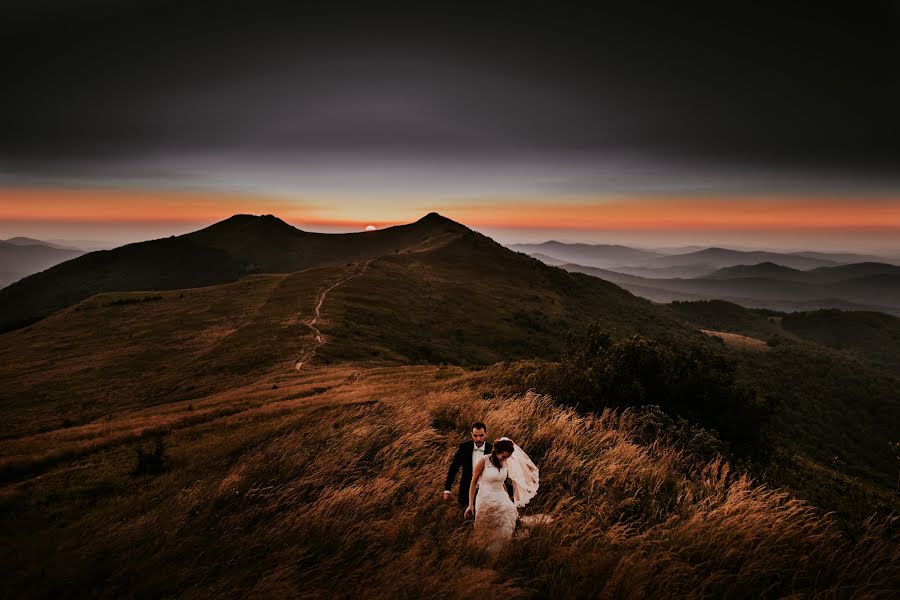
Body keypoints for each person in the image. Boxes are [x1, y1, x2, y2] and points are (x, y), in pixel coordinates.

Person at [464, 437, 539, 554]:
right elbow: (473, 482)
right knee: (487, 524)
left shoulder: (504, 463)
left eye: (507, 457)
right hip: (485, 496)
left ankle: (500, 547)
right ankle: (483, 551)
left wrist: (508, 497)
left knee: (509, 511)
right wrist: (470, 505)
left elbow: (502, 482)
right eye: (503, 456)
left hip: (500, 494)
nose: (505, 459)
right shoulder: (484, 461)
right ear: (496, 451)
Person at [443, 422, 493, 508]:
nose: (478, 439)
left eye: (481, 435)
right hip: (466, 489)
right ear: (471, 434)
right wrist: (447, 489)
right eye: (475, 436)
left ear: (486, 434)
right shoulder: (464, 447)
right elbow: (453, 468)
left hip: (486, 491)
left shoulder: (491, 449)